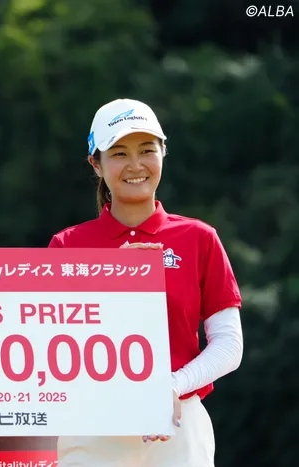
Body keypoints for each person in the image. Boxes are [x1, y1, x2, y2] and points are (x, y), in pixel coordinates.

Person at [48, 98, 244, 467]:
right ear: (96, 163)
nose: (136, 165)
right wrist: (114, 280)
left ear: (163, 153)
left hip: (179, 419)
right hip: (93, 423)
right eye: (119, 153)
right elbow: (54, 345)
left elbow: (229, 344)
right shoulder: (67, 245)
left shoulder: (199, 238)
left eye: (147, 150)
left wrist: (170, 385)